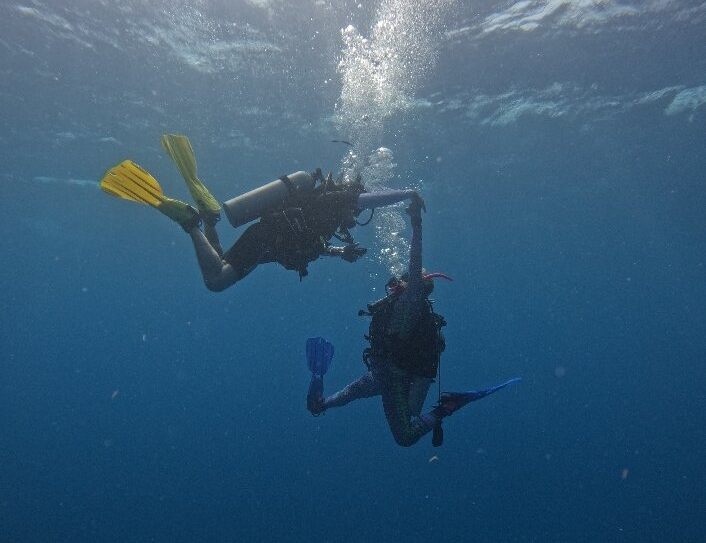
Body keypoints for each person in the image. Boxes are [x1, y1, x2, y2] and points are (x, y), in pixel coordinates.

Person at [305, 197, 520, 447]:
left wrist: (416, 221)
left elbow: (415, 258)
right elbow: (356, 390)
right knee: (353, 395)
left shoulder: (411, 299)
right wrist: (326, 403)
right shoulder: (402, 303)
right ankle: (325, 403)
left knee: (405, 436)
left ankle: (448, 407)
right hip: (383, 371)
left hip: (393, 374)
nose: (394, 285)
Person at [99, 134, 421, 291]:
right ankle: (192, 223)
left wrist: (341, 253)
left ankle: (208, 217)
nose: (354, 219)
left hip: (268, 242)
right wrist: (408, 194)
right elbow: (370, 200)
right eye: (356, 210)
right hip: (268, 240)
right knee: (216, 281)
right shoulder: (338, 202)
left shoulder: (327, 215)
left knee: (220, 261)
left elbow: (313, 245)